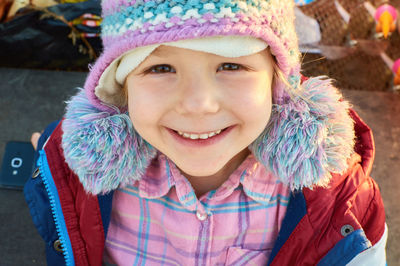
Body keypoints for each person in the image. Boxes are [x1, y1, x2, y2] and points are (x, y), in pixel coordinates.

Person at [24, 0, 387, 265]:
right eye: (161, 67)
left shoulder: (340, 204)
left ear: (278, 83)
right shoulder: (79, 176)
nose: (198, 105)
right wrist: (54, 164)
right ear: (121, 88)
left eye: (231, 65)